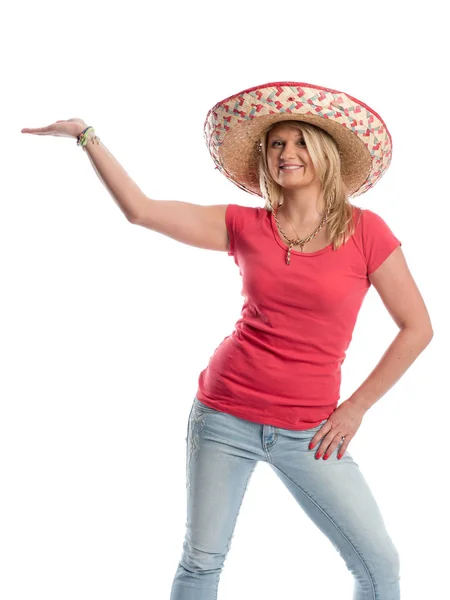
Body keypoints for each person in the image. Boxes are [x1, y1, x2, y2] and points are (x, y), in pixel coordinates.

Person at [22, 81, 433, 600]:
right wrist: (86, 136)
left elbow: (417, 328)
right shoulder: (244, 224)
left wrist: (355, 408)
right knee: (201, 564)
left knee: (379, 565)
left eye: (301, 141)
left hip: (310, 430)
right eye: (277, 144)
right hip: (224, 415)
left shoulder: (367, 232)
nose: (287, 153)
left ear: (324, 152)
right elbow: (142, 211)